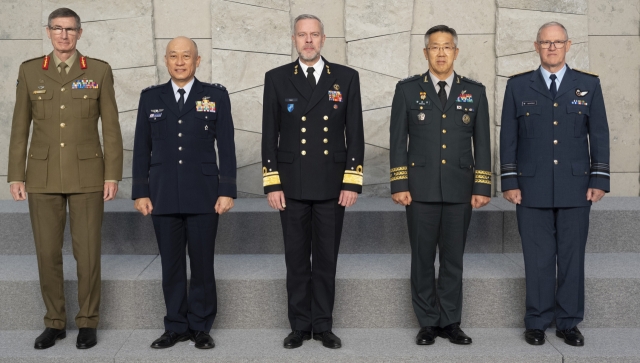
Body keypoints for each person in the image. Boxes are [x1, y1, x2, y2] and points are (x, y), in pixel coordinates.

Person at [7, 7, 123, 350]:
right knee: (46, 252)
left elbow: (111, 128)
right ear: (48, 32)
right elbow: (19, 127)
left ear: (80, 33)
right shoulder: (30, 72)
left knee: (87, 253)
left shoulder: (98, 71)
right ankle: (54, 322)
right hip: (41, 175)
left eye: (70, 29)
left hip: (88, 174)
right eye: (57, 29)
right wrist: (16, 174)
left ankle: (87, 322)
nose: (63, 35)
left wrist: (112, 173)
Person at [500, 21, 609, 347]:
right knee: (537, 258)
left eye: (557, 42)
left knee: (572, 257)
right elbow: (508, 137)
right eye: (546, 42)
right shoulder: (519, 86)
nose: (551, 47)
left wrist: (599, 177)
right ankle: (536, 320)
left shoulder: (587, 85)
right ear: (536, 46)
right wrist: (510, 179)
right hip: (530, 187)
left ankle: (568, 322)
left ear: (567, 45)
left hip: (576, 186)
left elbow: (599, 134)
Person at [261, 14, 364, 350]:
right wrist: (272, 183)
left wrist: (352, 182)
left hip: (333, 185)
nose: (308, 41)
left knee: (325, 259)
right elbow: (269, 135)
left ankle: (323, 325)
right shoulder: (276, 78)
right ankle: (298, 326)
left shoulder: (346, 78)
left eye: (314, 35)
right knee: (295, 259)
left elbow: (356, 135)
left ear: (323, 38)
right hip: (290, 185)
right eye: (302, 35)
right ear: (294, 39)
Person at [389, 24, 491, 346]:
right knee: (421, 258)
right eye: (435, 47)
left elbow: (483, 144)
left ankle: (450, 321)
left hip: (460, 189)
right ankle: (427, 322)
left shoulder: (474, 92)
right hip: (418, 191)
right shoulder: (407, 90)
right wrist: (399, 183)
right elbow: (397, 142)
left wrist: (482, 186)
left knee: (452, 259)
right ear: (426, 52)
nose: (442, 53)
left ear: (456, 52)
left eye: (447, 47)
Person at [131, 36, 237, 350]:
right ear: (166, 60)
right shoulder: (151, 97)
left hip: (204, 194)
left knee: (202, 264)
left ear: (197, 60)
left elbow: (227, 145)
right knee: (171, 265)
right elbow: (141, 148)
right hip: (162, 194)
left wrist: (227, 189)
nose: (180, 62)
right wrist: (140, 191)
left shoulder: (214, 95)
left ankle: (201, 327)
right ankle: (175, 326)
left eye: (186, 56)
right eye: (174, 56)